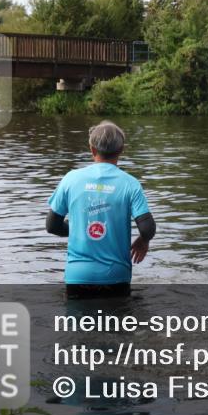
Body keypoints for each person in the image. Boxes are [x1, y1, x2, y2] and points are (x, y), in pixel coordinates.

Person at [46, 120, 156, 299]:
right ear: (121, 150)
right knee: (116, 325)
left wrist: (78, 228)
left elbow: (52, 226)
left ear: (92, 149)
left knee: (78, 325)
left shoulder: (70, 179)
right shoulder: (130, 184)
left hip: (77, 277)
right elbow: (147, 228)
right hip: (116, 277)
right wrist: (144, 240)